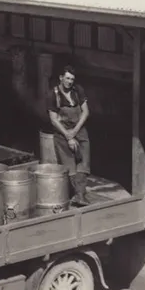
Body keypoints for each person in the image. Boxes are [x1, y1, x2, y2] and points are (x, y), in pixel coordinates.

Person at [47, 65, 91, 205]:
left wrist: (76, 131)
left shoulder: (78, 90)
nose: (69, 81)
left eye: (72, 79)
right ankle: (76, 194)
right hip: (62, 132)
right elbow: (53, 120)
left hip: (79, 129)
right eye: (67, 78)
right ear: (61, 78)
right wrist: (69, 136)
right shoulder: (53, 94)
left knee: (84, 162)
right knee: (69, 164)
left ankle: (80, 195)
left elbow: (85, 112)